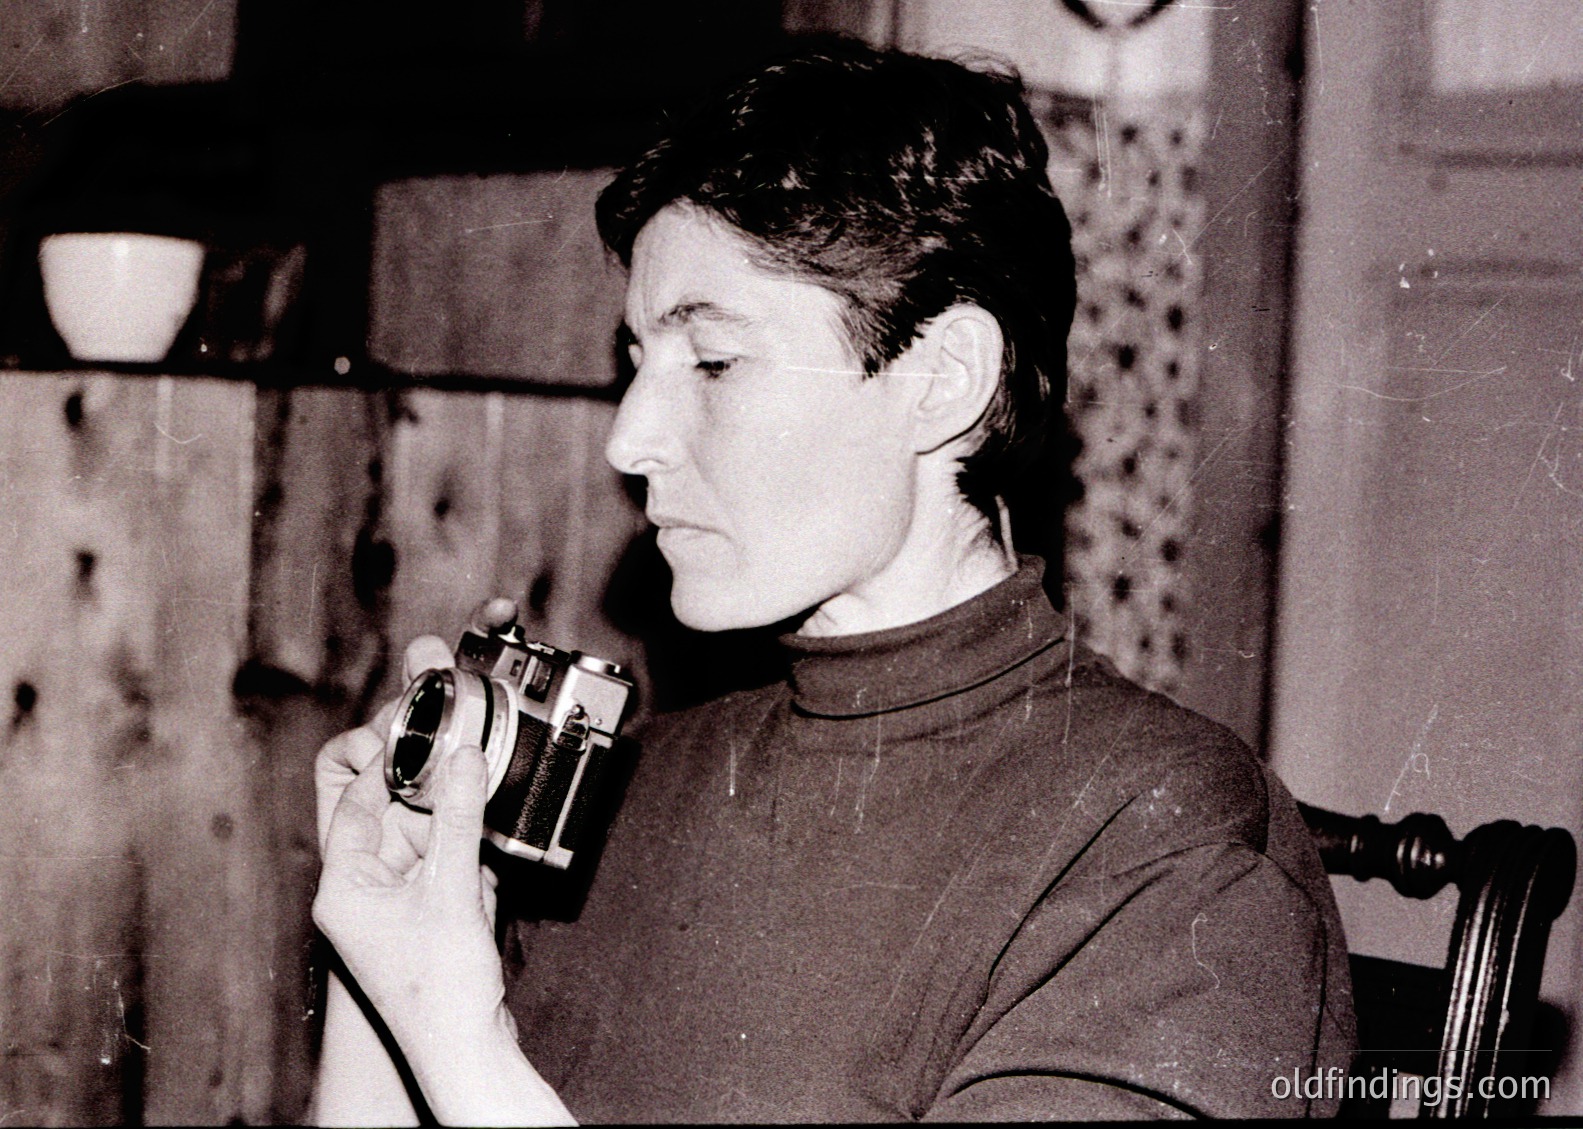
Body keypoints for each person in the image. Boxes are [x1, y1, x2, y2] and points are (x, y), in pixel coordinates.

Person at [310, 42, 1355, 1124]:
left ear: (940, 380)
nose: (627, 439)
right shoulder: (639, 781)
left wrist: (455, 1030)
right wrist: (376, 938)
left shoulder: (1160, 840)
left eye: (712, 363)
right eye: (635, 365)